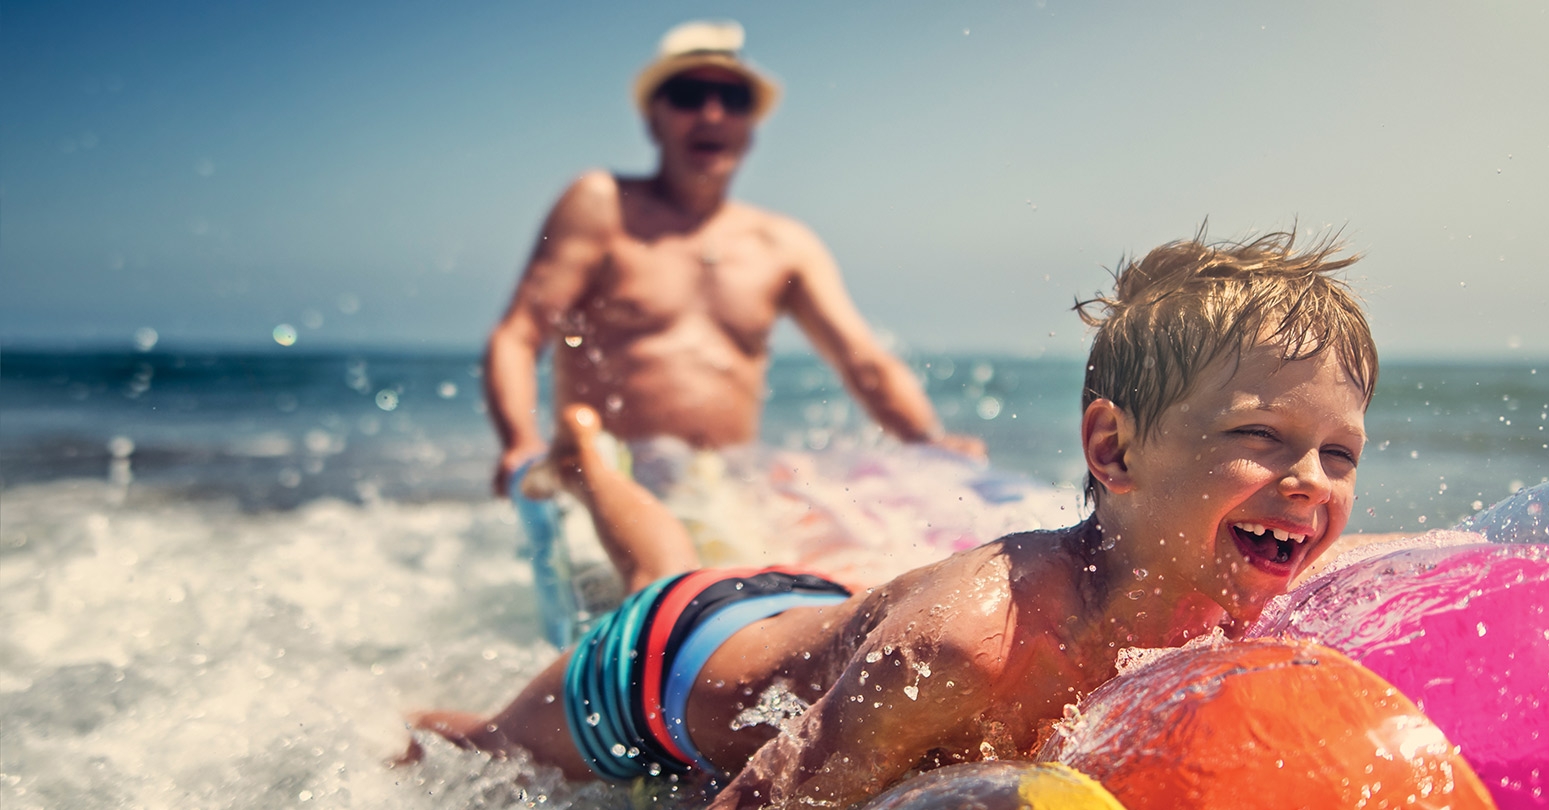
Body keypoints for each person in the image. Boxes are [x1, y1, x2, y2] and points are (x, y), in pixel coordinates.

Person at [413, 232, 1379, 808]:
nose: (1310, 482)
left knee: (671, 558)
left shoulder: (1245, 588)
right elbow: (763, 800)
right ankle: (581, 474)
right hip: (661, 667)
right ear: (1114, 451)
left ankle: (597, 472)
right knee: (482, 753)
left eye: (1339, 454)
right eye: (1260, 437)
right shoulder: (970, 643)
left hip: (811, 614)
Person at [483, 19, 980, 502]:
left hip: (726, 492)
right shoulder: (601, 205)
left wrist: (926, 442)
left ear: (751, 127)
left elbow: (865, 363)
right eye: (688, 95)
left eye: (734, 100)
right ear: (652, 118)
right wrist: (521, 443)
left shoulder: (783, 243)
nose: (713, 114)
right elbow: (519, 334)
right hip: (608, 485)